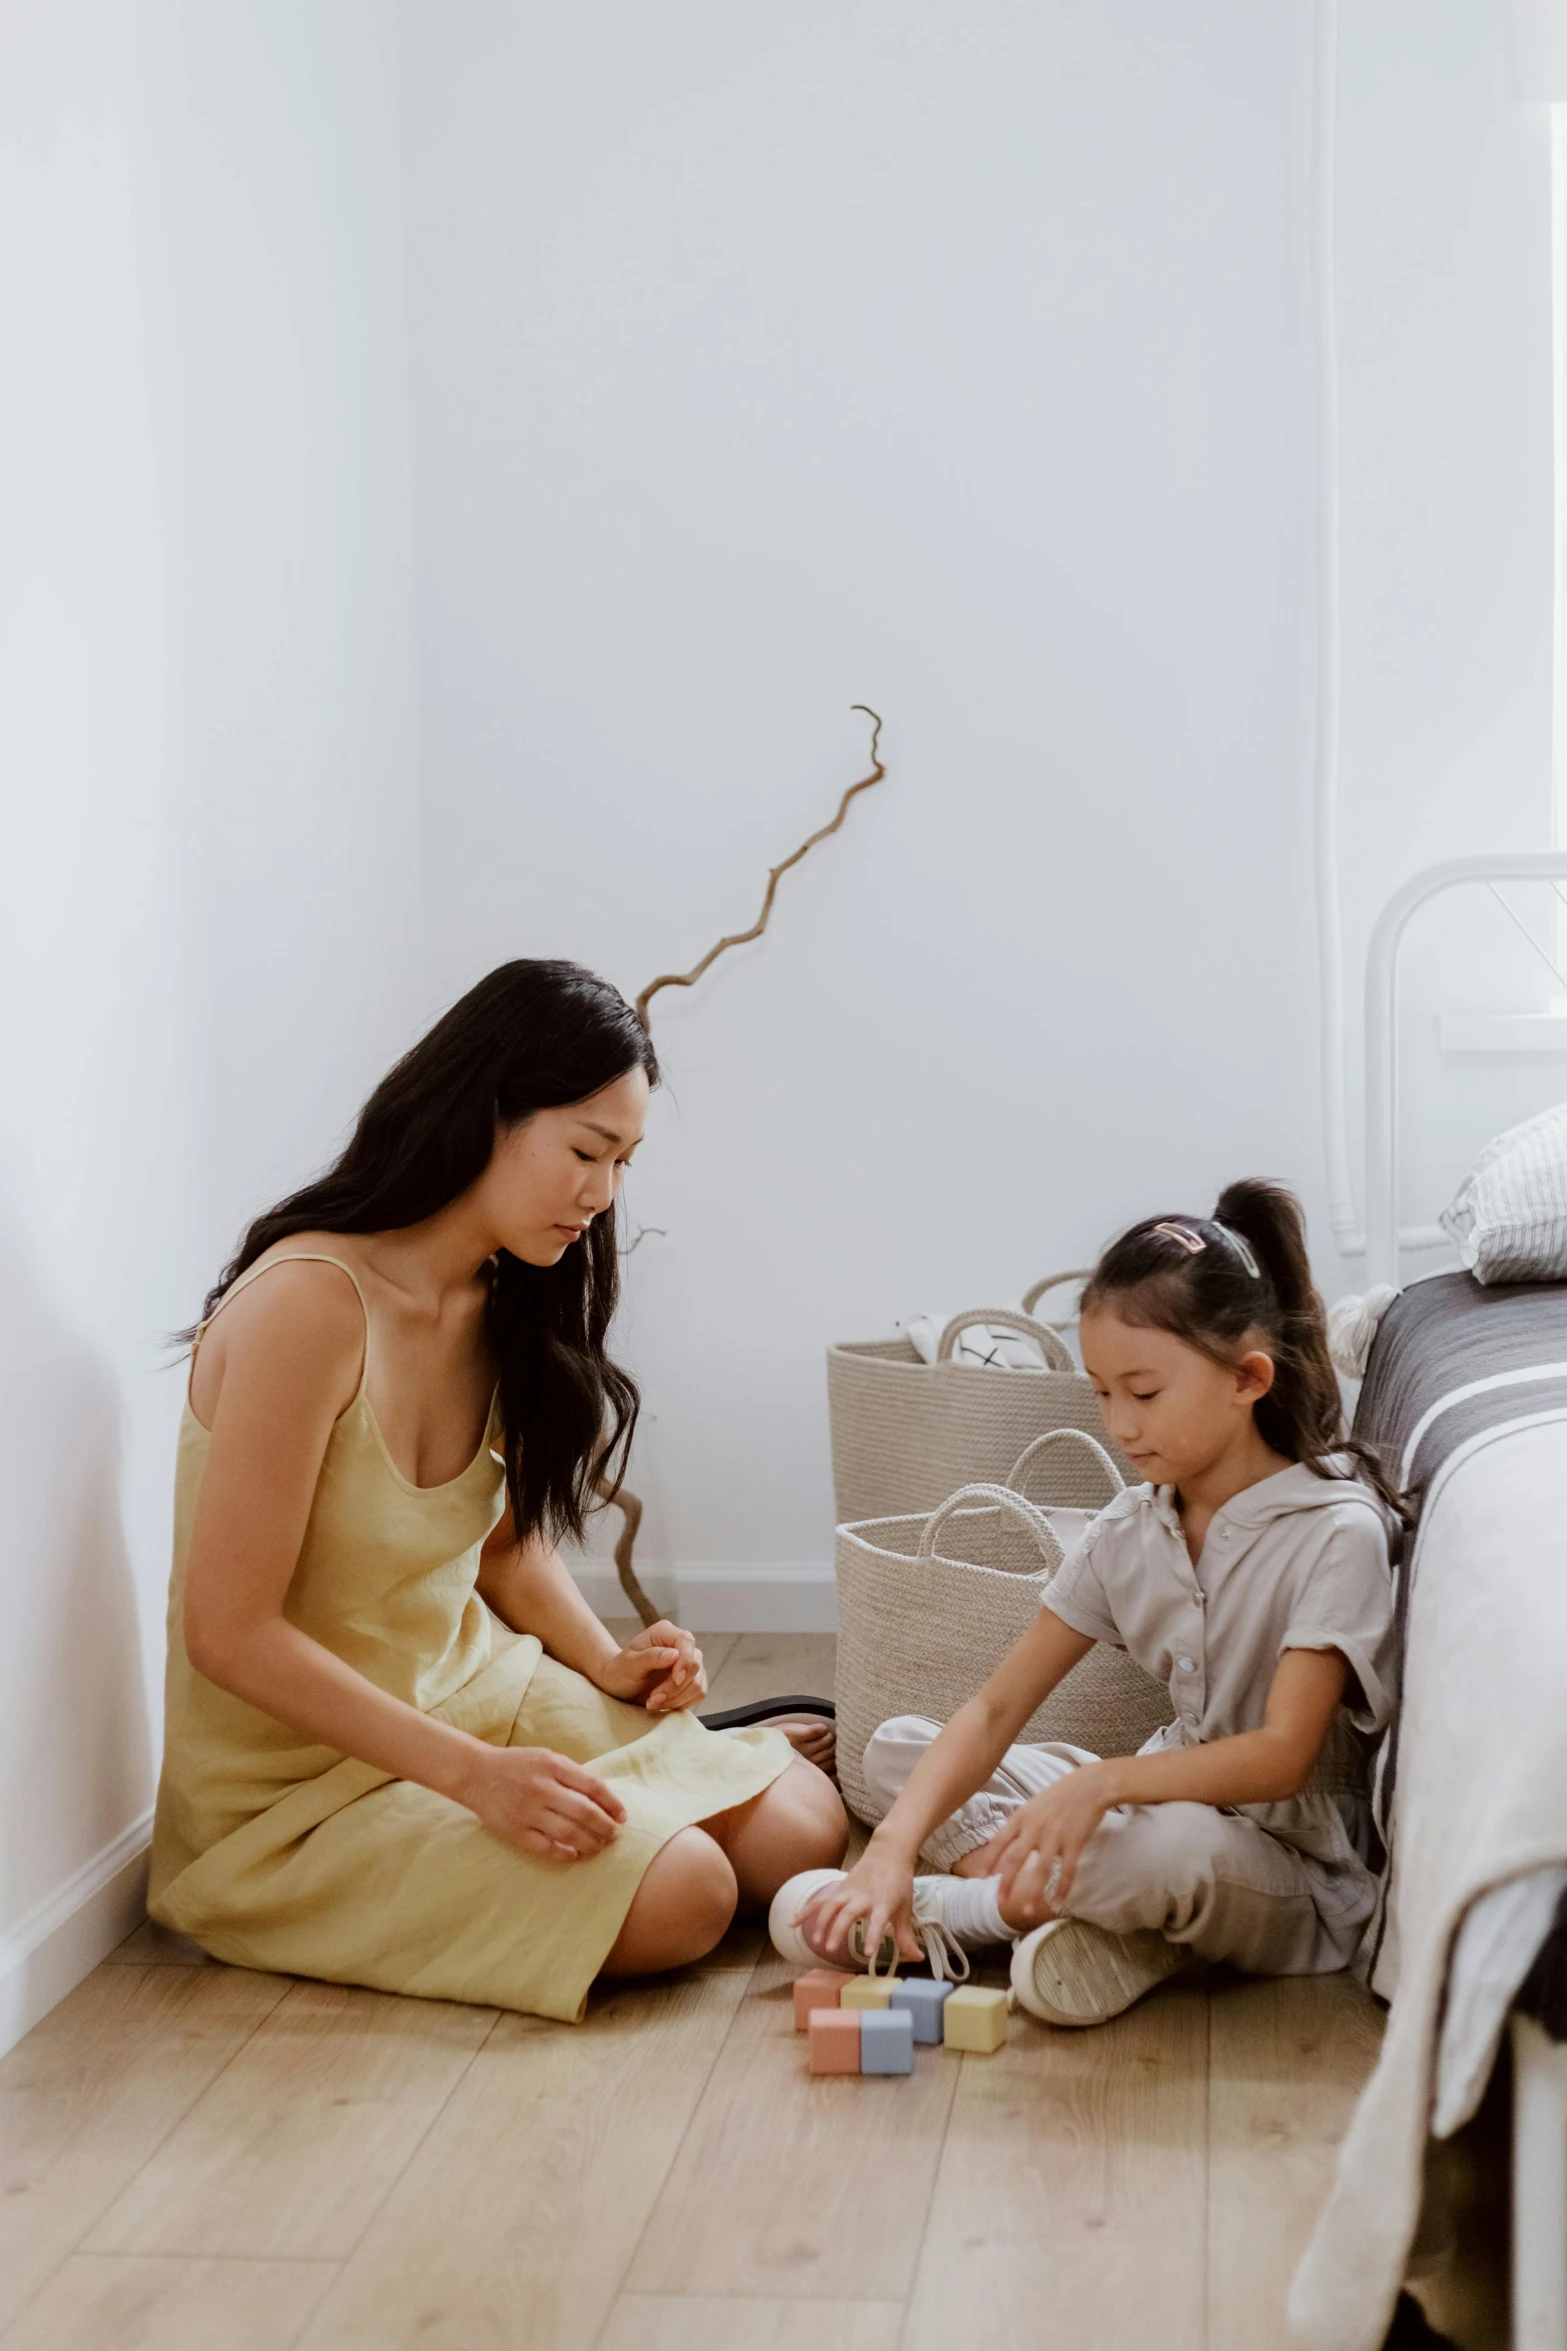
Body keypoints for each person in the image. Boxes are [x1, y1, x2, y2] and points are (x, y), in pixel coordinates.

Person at [149, 959, 846, 2021]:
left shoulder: (501, 1293)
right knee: (691, 1894)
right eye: (584, 1150)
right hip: (300, 1796)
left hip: (474, 1692)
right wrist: (476, 1776)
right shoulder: (309, 1303)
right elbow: (227, 1633)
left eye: (623, 1160)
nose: (603, 1193)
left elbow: (503, 1547)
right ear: (484, 1112)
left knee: (800, 1821)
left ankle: (587, 1813)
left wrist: (611, 1661)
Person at [771, 1180, 1400, 2027]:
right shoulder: (1131, 1527)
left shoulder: (1334, 1531)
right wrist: (884, 1850)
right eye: (1101, 1392)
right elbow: (996, 1708)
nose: (1119, 1423)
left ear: (1248, 1377)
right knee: (892, 1749)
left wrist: (1101, 1785)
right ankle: (1106, 1921)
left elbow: (1282, 1755)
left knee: (1164, 1852)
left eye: (1143, 1393)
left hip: (1282, 1858)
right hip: (1149, 1800)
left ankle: (957, 1916)